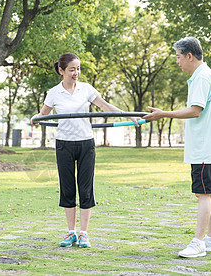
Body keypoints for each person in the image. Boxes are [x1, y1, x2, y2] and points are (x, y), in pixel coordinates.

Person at [31, 52, 138, 248]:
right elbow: (43, 114)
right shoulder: (54, 92)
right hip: (64, 144)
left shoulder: (86, 89)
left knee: (86, 188)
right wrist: (36, 119)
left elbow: (104, 105)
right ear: (61, 71)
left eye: (78, 69)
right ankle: (71, 232)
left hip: (86, 143)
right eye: (72, 69)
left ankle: (84, 234)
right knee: (68, 188)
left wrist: (128, 116)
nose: (76, 73)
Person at [143, 37, 211, 258]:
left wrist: (164, 114)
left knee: (203, 194)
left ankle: (198, 242)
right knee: (210, 194)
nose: (178, 62)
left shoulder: (201, 77)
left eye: (179, 57)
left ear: (189, 56)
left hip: (204, 148)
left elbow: (195, 110)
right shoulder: (205, 75)